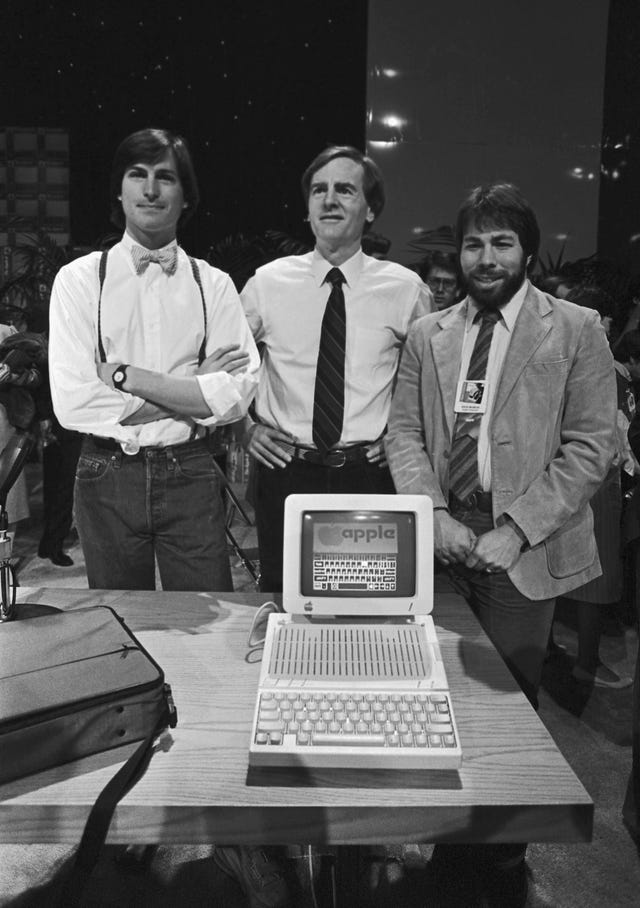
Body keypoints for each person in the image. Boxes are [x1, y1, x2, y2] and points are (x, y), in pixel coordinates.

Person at [385, 182, 617, 907]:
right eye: (474, 243)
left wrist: (514, 531)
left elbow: (591, 446)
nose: (486, 258)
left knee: (509, 714)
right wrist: (434, 513)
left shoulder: (576, 328)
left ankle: (495, 864)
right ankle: (448, 849)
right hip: (442, 543)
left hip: (523, 548)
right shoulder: (431, 331)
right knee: (433, 703)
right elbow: (404, 434)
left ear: (525, 251)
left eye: (502, 242)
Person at [48, 128, 259, 591]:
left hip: (192, 467)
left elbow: (236, 396)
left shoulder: (215, 285)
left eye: (165, 177)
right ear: (119, 192)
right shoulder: (81, 281)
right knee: (124, 629)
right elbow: (73, 404)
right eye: (136, 174)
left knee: (210, 624)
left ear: (186, 196)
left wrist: (126, 377)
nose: (149, 189)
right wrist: (191, 389)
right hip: (106, 474)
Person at [241, 145, 433, 594]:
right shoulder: (266, 284)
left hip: (369, 474)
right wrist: (243, 430)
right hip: (286, 469)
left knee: (368, 601)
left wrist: (406, 438)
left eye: (345, 190)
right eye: (319, 190)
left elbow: (430, 384)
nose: (329, 200)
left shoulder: (405, 290)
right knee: (286, 598)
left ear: (370, 211)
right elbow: (225, 371)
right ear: (307, 210)